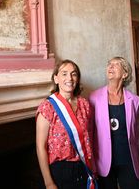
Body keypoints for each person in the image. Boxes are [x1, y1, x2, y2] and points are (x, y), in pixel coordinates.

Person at [36, 59, 96, 189]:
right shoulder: (48, 107)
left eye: (74, 74)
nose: (69, 78)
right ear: (56, 79)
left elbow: (88, 139)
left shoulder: (84, 104)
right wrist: (49, 183)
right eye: (64, 73)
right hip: (59, 172)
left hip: (82, 168)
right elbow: (41, 147)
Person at [90, 57, 139, 189]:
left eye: (115, 65)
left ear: (125, 74)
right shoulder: (93, 98)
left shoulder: (134, 100)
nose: (110, 67)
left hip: (128, 159)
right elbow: (90, 133)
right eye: (109, 64)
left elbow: (135, 134)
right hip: (104, 161)